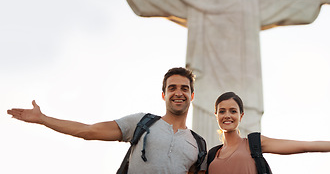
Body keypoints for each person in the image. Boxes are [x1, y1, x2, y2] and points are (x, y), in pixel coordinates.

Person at [89, 0, 330, 147]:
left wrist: (320, 1)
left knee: (247, 139)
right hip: (207, 70)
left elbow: (285, 5)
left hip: (243, 75)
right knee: (206, 138)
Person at [7, 67, 207, 174]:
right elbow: (88, 131)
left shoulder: (197, 145)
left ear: (192, 95)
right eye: (172, 88)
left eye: (184, 88)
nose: (178, 93)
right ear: (163, 95)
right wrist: (43, 119)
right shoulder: (142, 123)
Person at [206, 92, 330, 174]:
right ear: (216, 115)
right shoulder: (212, 155)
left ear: (241, 115)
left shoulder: (253, 143)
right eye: (222, 111)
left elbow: (306, 146)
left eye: (233, 111)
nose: (227, 115)